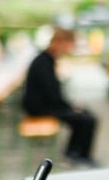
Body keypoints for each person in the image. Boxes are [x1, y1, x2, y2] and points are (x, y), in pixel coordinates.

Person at [22, 27, 99, 168]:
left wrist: (70, 107)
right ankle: (82, 157)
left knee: (84, 115)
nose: (71, 48)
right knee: (88, 119)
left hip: (45, 105)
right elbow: (51, 94)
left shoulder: (47, 59)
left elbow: (52, 93)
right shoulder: (43, 62)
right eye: (71, 44)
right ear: (60, 42)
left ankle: (72, 153)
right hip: (39, 108)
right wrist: (69, 107)